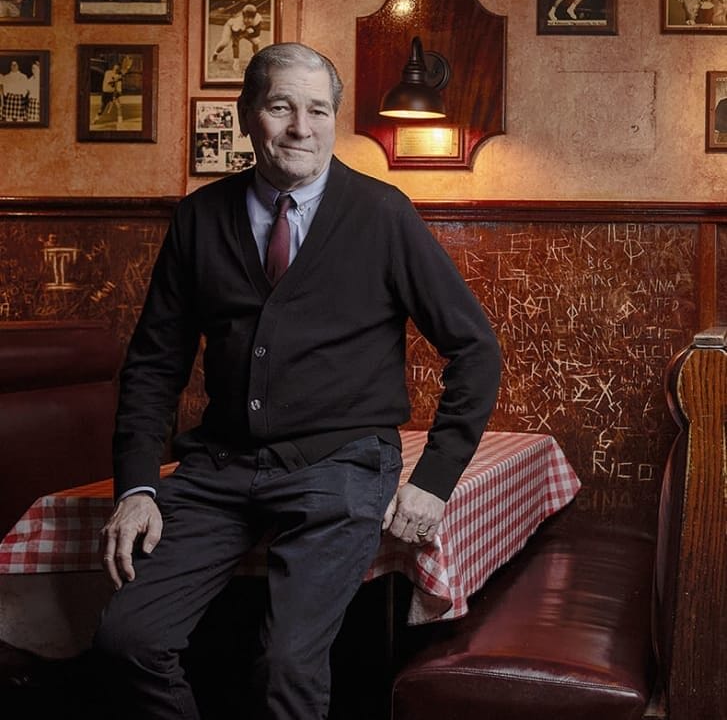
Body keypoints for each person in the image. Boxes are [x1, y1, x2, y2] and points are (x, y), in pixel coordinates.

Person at [93, 42, 501, 720]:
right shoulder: (199, 218)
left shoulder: (381, 213)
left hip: (339, 467)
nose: (300, 127)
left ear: (334, 119)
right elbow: (154, 366)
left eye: (318, 109)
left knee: (287, 663)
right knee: (125, 638)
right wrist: (137, 486)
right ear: (248, 113)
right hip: (218, 468)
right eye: (281, 105)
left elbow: (475, 348)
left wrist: (433, 479)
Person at [211, 3, 263, 75]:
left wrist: (247, 32)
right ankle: (215, 54)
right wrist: (236, 62)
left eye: (251, 18)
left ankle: (258, 60)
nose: (248, 20)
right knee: (224, 43)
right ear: (243, 16)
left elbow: (257, 33)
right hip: (230, 27)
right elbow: (235, 43)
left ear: (254, 17)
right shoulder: (238, 23)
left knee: (256, 42)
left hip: (245, 30)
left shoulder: (257, 19)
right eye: (246, 17)